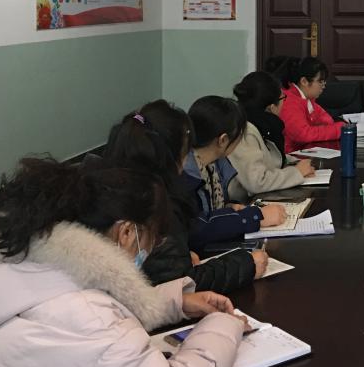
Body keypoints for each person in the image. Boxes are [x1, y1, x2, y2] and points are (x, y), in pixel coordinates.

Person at [0, 157, 247, 367]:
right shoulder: (98, 325)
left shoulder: (0, 271)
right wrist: (223, 325)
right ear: (126, 232)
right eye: (153, 240)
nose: (150, 250)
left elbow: (53, 306)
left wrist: (174, 302)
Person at [104, 101, 267, 292]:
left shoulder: (108, 187)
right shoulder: (156, 204)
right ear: (170, 157)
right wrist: (246, 264)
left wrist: (179, 255)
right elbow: (183, 283)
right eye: (185, 152)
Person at [181, 96, 286, 251]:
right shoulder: (185, 173)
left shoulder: (213, 164)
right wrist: (256, 217)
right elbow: (196, 229)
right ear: (223, 140)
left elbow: (212, 209)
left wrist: (229, 207)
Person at [230, 70, 317, 198]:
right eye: (283, 98)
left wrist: (296, 162)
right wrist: (297, 172)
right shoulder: (245, 132)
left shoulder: (263, 125)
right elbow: (257, 182)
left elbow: (269, 159)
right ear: (271, 107)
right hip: (243, 203)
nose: (284, 103)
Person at [282, 57, 346, 153]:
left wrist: (338, 128)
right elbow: (304, 135)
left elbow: (328, 121)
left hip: (302, 152)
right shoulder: (289, 101)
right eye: (320, 81)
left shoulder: (307, 98)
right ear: (304, 81)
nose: (323, 86)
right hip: (289, 156)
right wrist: (340, 128)